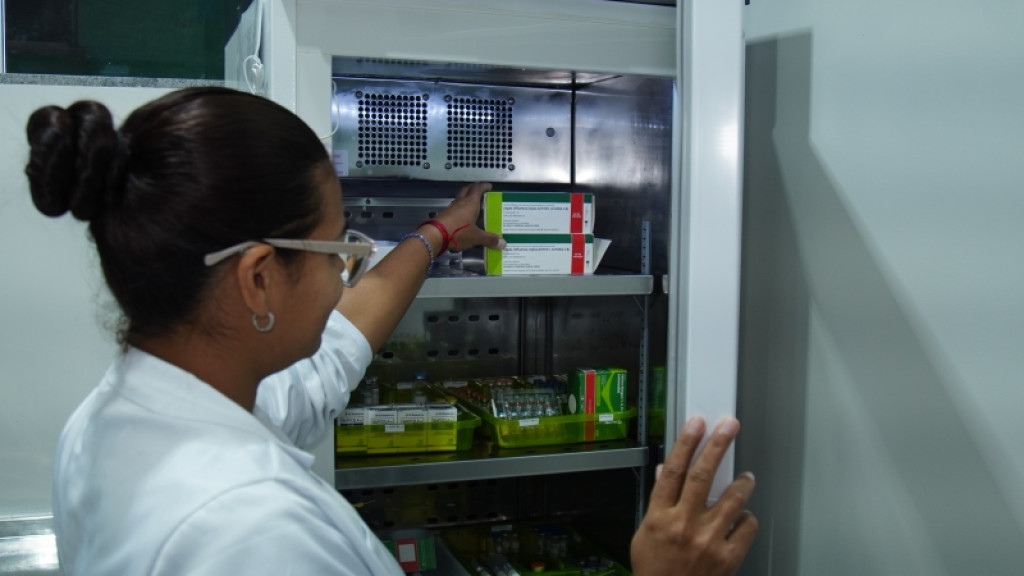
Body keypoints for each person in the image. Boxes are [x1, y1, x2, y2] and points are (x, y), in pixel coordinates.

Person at [25, 86, 756, 575]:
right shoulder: (252, 532)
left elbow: (334, 353)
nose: (348, 271)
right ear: (258, 278)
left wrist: (438, 234)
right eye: (338, 249)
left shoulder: (116, 421)